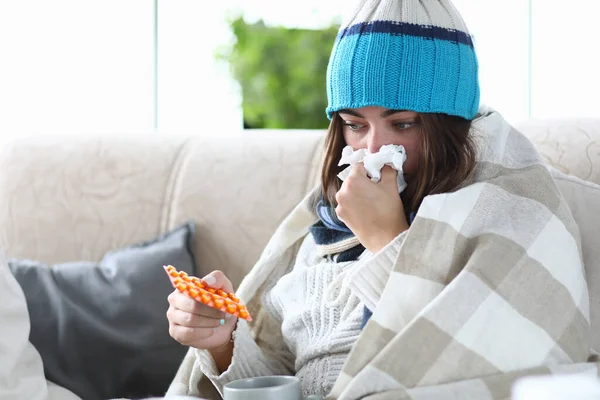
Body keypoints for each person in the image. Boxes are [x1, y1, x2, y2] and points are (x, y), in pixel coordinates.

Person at [166, 0, 590, 399]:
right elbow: (281, 373)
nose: (372, 151)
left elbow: (467, 362)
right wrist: (223, 342)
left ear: (451, 127)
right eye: (354, 125)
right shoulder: (325, 232)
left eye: (403, 124)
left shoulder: (505, 211)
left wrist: (387, 239)